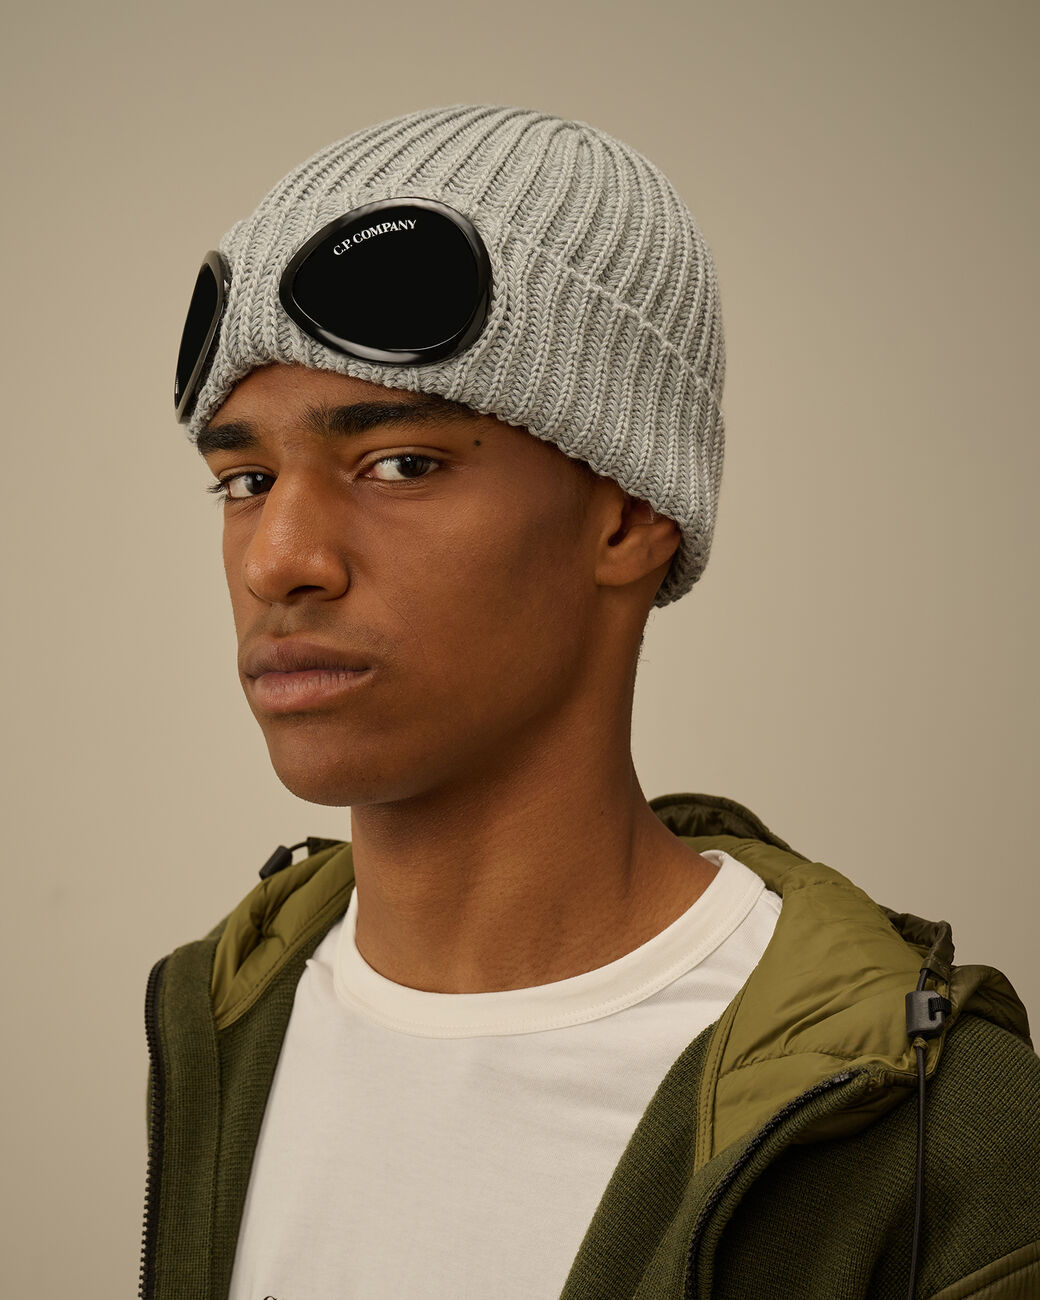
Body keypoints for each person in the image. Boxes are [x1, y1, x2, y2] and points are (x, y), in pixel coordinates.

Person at [141, 104, 1039, 1300]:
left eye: (399, 463)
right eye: (244, 480)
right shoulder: (224, 1011)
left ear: (627, 515)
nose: (277, 559)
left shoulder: (927, 1126)